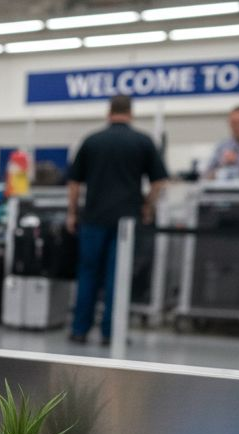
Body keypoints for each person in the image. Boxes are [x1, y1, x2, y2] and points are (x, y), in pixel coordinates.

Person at [66, 94, 168, 345]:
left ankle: (79, 329)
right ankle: (111, 333)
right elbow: (158, 182)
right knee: (117, 276)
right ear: (130, 112)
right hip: (127, 223)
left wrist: (72, 212)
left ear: (108, 112)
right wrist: (147, 206)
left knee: (88, 273)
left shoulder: (91, 141)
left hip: (93, 218)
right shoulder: (143, 141)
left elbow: (74, 183)